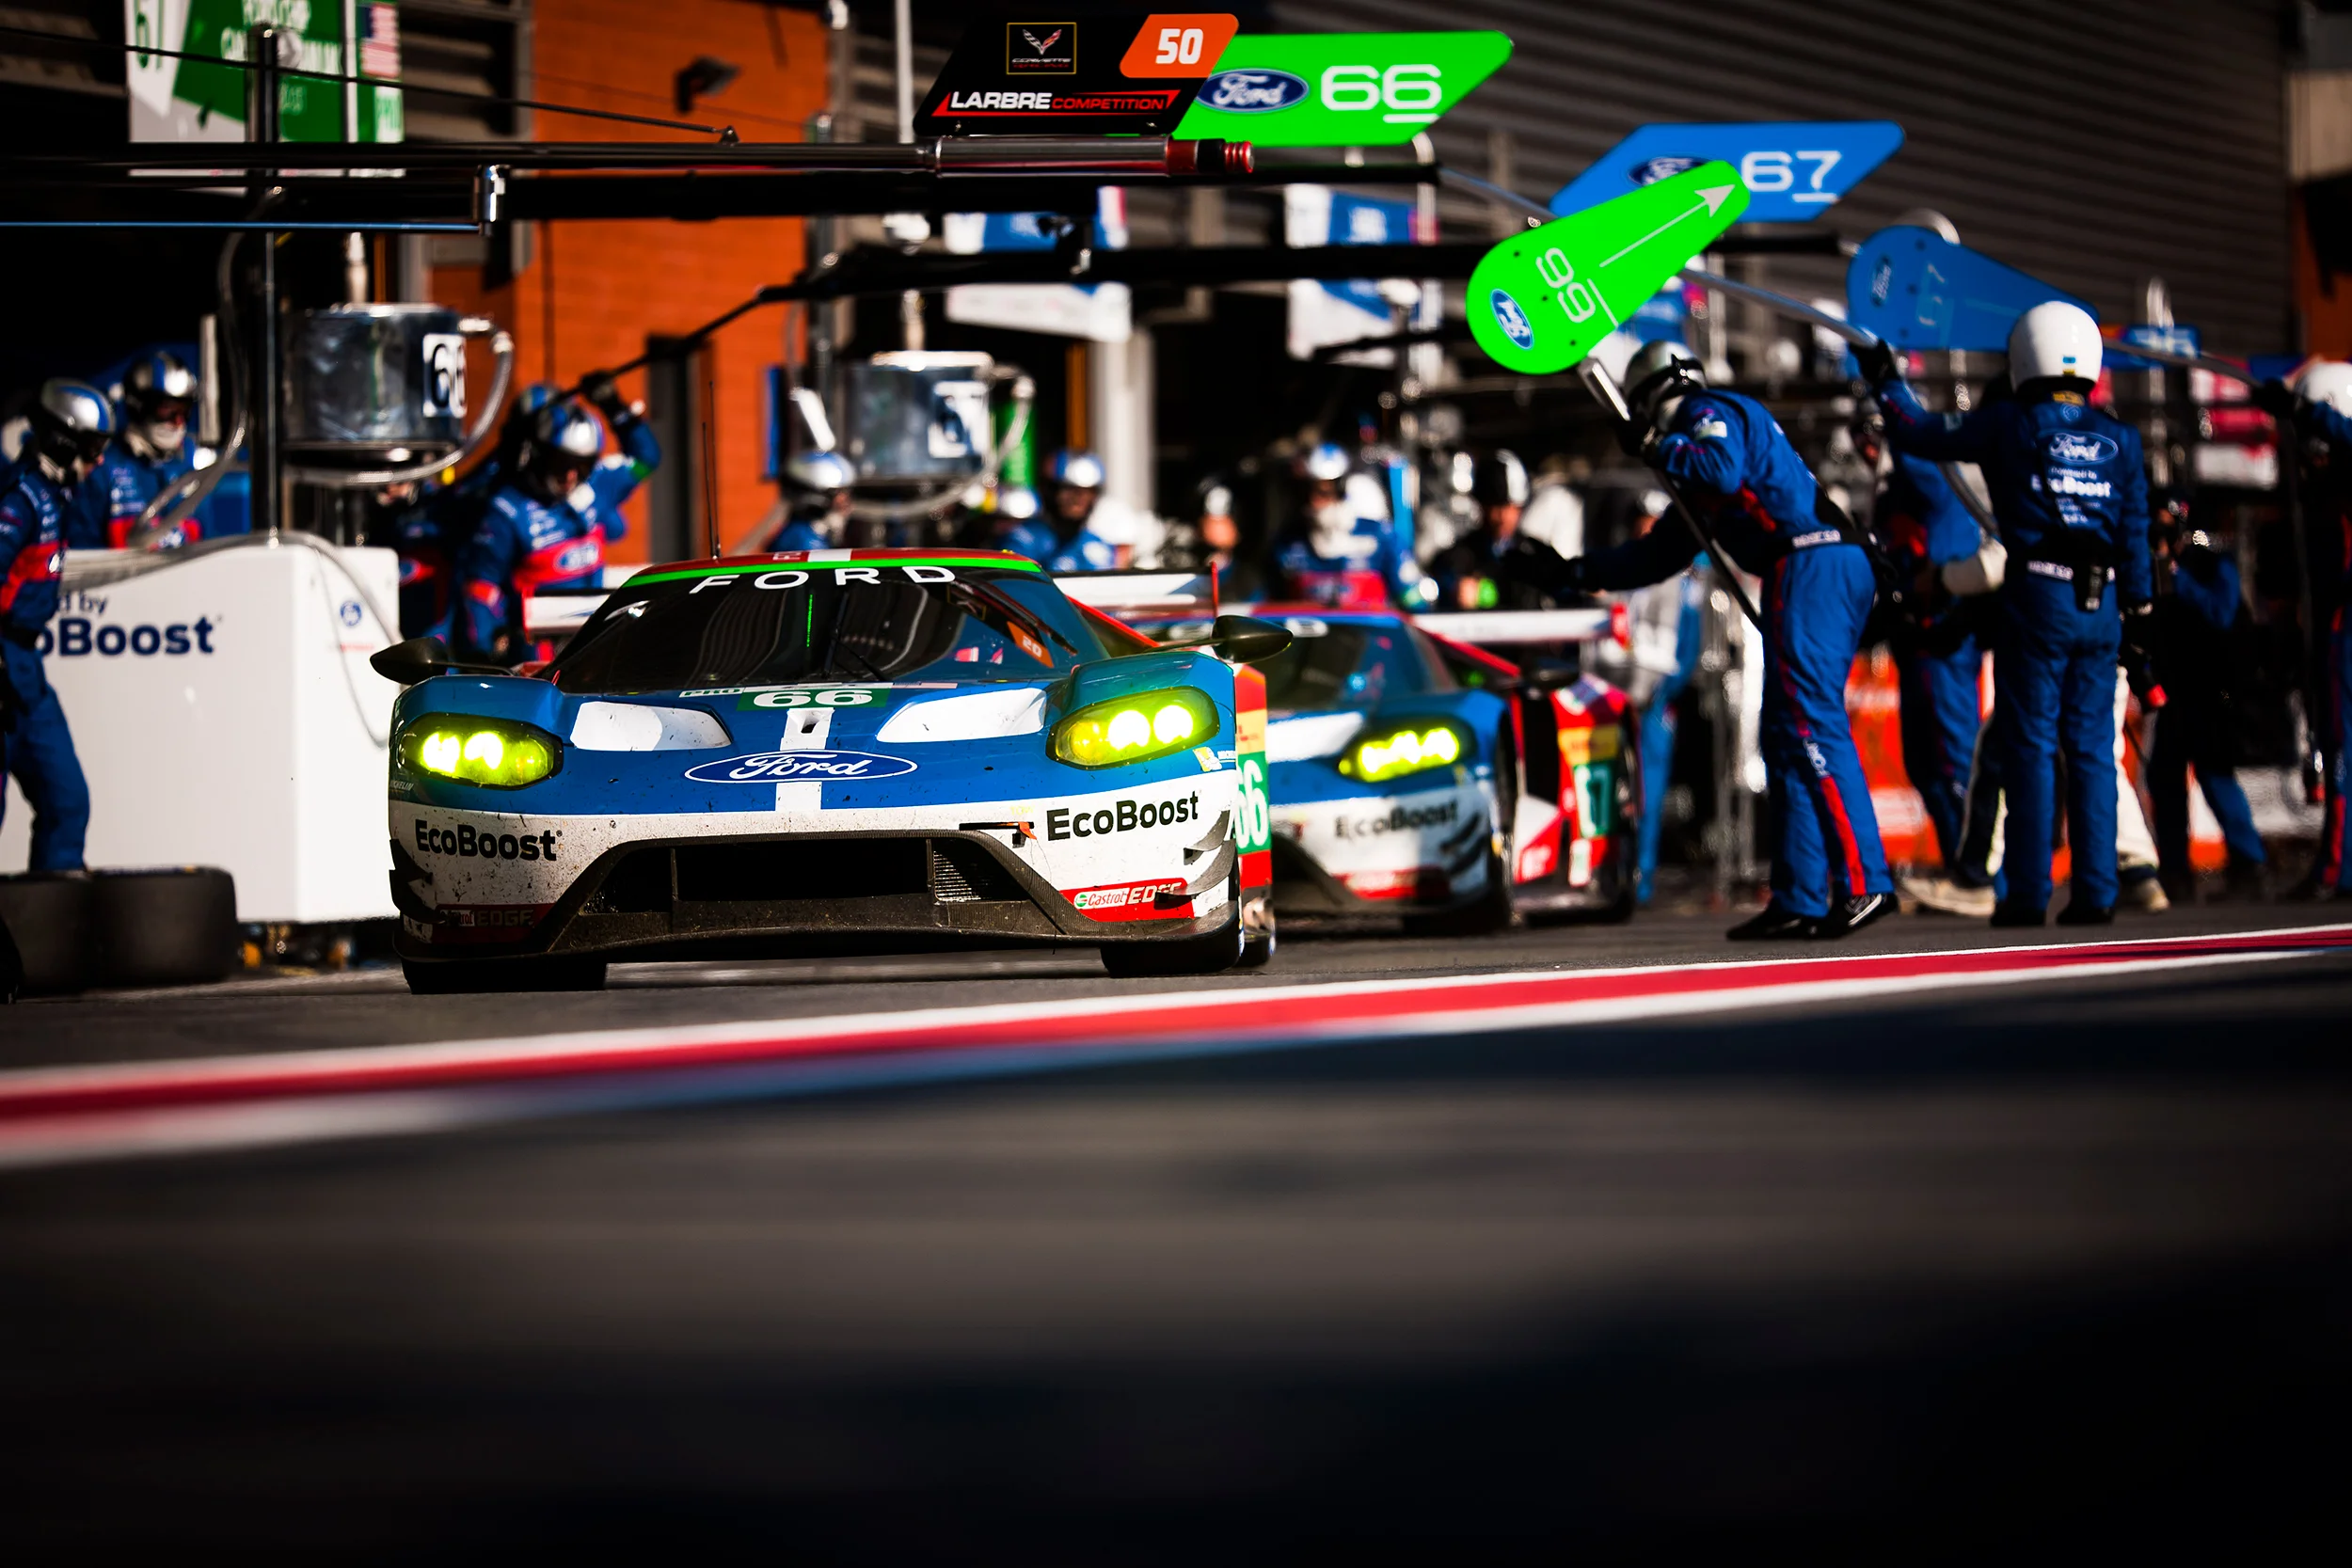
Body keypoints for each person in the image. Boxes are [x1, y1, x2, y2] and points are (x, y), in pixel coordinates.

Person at [1511, 341, 1896, 939]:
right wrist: (1570, 572)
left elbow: (1717, 466)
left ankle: (1866, 880)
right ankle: (1798, 895)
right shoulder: (1695, 463)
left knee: (1810, 722)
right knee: (1785, 732)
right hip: (1811, 564)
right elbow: (1655, 556)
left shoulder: (1706, 413)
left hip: (1812, 560)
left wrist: (1656, 443)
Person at [1866, 301, 2154, 927]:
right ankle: (2097, 893)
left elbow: (1916, 431)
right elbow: (2135, 534)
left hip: (2039, 597)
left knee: (2028, 746)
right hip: (2101, 603)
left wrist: (1885, 381)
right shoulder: (2121, 437)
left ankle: (2025, 894)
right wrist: (2139, 612)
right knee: (2092, 751)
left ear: (2023, 357)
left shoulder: (2009, 423)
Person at [1852, 409, 1990, 911]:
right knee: (1924, 763)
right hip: (1914, 637)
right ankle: (1962, 865)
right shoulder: (1891, 496)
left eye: (1870, 438)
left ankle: (1980, 872)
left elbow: (1924, 462)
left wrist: (1896, 420)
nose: (1866, 451)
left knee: (1955, 759)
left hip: (1944, 635)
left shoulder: (1928, 479)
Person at [454, 373, 659, 661]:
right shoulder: (505, 511)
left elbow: (646, 460)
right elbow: (480, 588)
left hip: (595, 648)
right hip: (536, 662)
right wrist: (480, 654)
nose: (570, 476)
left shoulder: (597, 485)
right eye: (561, 463)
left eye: (582, 465)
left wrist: (614, 407)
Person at [2253, 360, 2352, 901]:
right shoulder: (2323, 485)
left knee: (2342, 745)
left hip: (2346, 627)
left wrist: (2299, 408)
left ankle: (2338, 867)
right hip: (2331, 622)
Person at [0, 380, 105, 873]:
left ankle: (51, 936)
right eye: (92, 448)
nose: (99, 462)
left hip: (27, 672)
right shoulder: (17, 500)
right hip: (3, 663)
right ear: (63, 442)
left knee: (67, 801)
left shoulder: (57, 497)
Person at [2147, 515, 2266, 898]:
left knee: (2216, 776)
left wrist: (2178, 577)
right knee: (2164, 779)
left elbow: (2222, 612)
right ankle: (2175, 873)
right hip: (2174, 691)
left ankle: (2249, 865)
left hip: (2212, 692)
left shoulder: (2212, 562)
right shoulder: (2150, 566)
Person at [78, 350, 242, 549]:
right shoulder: (102, 467)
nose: (178, 422)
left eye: (184, 410)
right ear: (138, 405)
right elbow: (84, 557)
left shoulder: (192, 463)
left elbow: (204, 541)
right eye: (168, 410)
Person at [1270, 441, 1426, 610]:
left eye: (1324, 492)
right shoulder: (1287, 544)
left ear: (1341, 488)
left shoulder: (1381, 536)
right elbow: (1266, 606)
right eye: (1307, 492)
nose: (1314, 501)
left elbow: (1414, 601)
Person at [1432, 451, 1537, 610]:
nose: (1502, 516)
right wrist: (1454, 590)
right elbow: (1437, 584)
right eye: (1495, 505)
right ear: (1481, 505)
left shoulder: (1535, 555)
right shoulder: (1458, 558)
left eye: (1510, 506)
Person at [1001, 448, 1118, 572]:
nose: (1077, 500)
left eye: (1087, 492)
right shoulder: (1022, 540)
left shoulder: (1098, 545)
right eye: (1069, 490)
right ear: (1050, 491)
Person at [762, 450, 857, 551]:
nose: (845, 502)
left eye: (847, 492)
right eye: (837, 493)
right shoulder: (804, 544)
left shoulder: (815, 535)